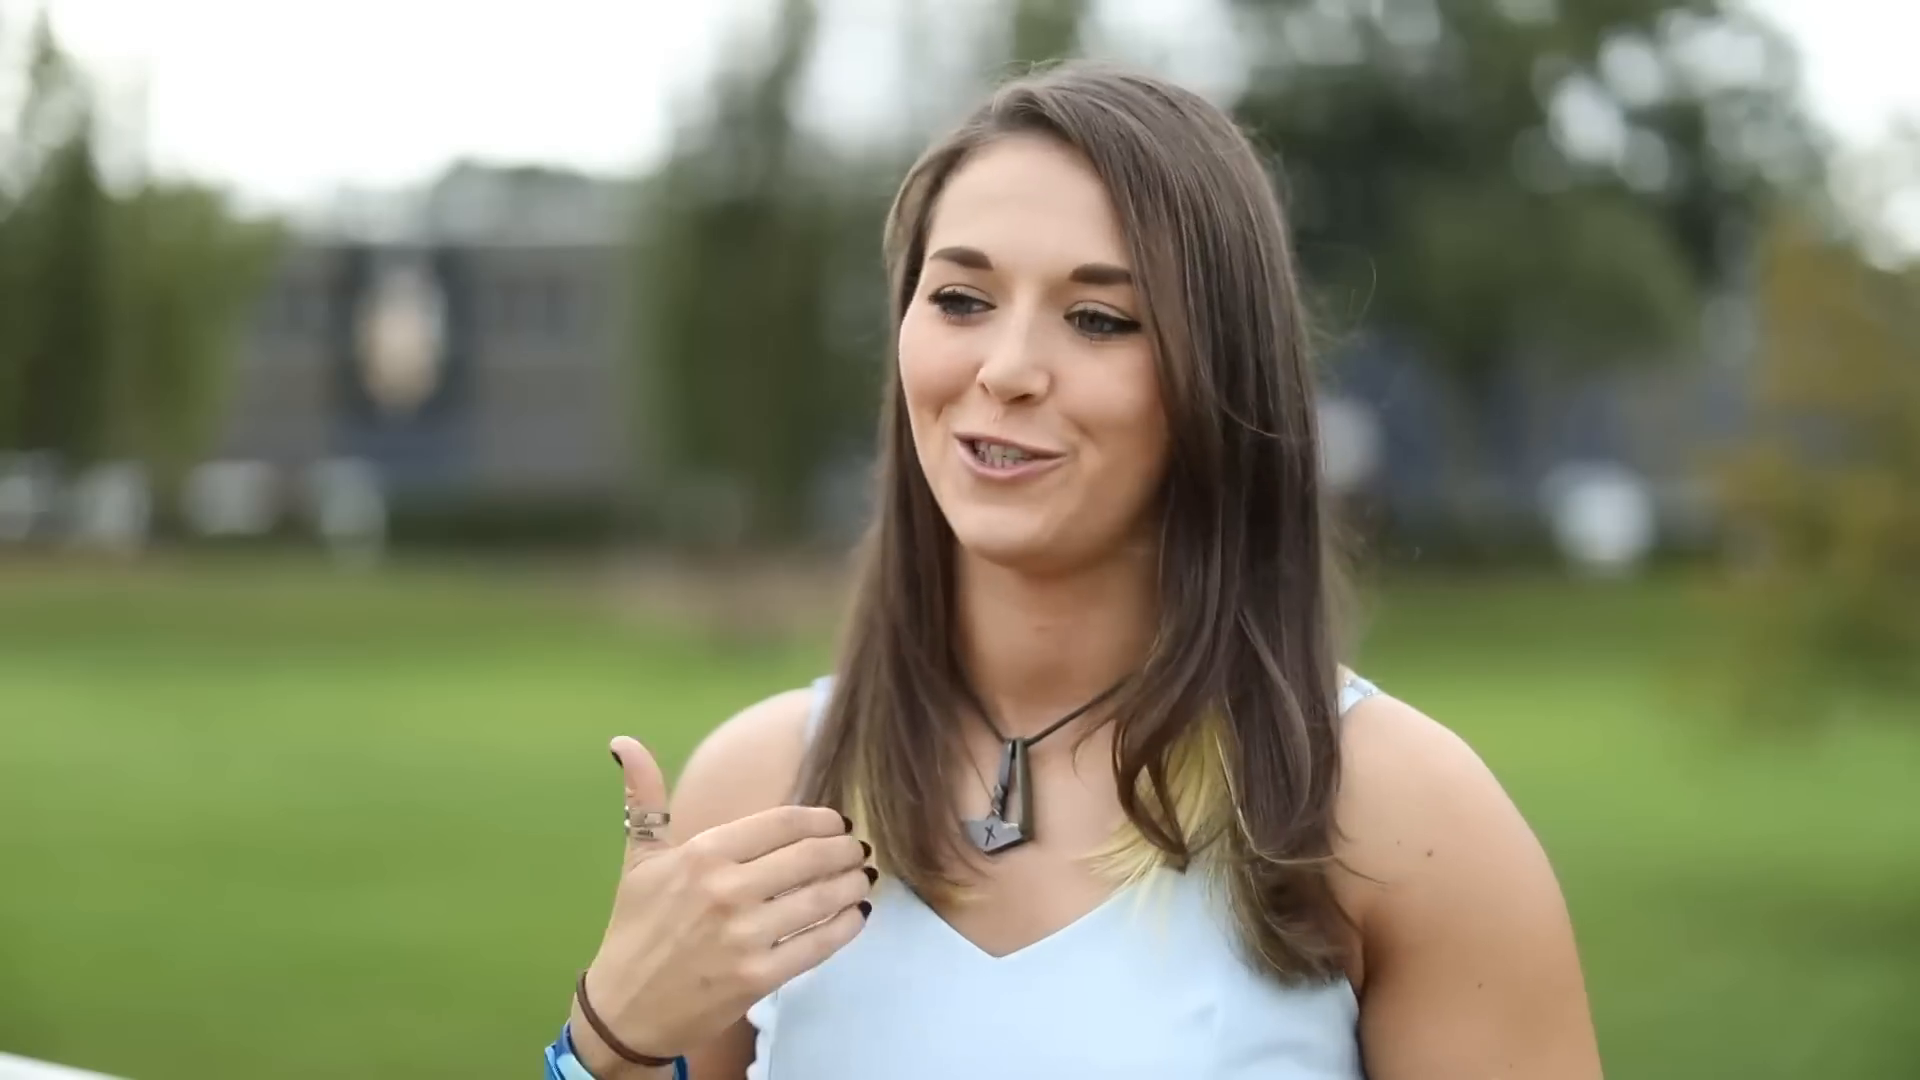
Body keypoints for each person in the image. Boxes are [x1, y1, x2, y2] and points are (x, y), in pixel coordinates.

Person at [544, 60, 1602, 1080]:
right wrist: (608, 1045)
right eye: (961, 299)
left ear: (1219, 375)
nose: (1006, 369)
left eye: (1099, 318)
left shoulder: (1398, 817)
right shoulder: (762, 790)